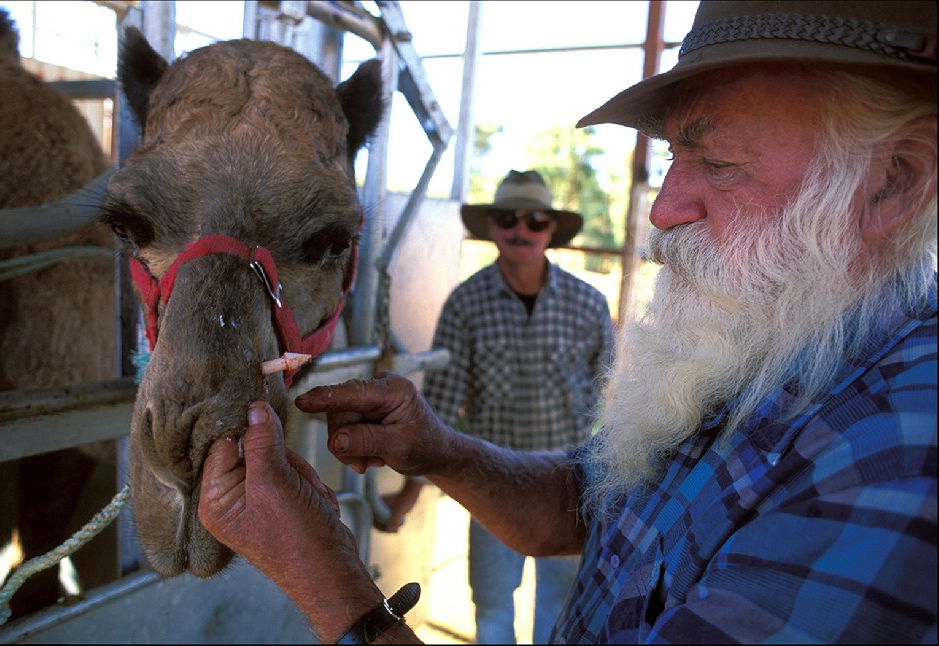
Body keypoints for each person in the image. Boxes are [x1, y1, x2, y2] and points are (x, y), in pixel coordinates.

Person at [197, 1, 937, 643]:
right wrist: (438, 451)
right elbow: (593, 506)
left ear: (892, 184)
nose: (663, 210)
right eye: (676, 154)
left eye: (718, 162)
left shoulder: (900, 457)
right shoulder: (768, 332)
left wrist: (325, 577)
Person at [376, 169, 616, 644]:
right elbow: (440, 407)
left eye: (535, 219)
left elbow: (608, 401)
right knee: (490, 606)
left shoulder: (588, 303)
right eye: (508, 218)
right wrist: (410, 491)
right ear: (491, 228)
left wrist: (607, 480)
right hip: (491, 479)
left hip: (571, 485)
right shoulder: (465, 304)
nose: (521, 230)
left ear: (550, 229)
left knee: (562, 608)